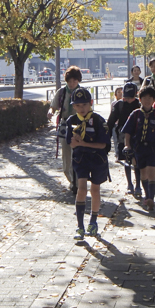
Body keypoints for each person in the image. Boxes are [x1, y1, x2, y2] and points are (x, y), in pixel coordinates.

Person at [66, 88, 110, 240]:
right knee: (82, 189)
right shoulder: (71, 121)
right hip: (81, 159)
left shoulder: (98, 120)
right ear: (73, 107)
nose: (81, 108)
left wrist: (82, 143)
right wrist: (77, 144)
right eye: (77, 105)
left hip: (98, 159)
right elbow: (70, 143)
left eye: (84, 104)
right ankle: (79, 226)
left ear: (91, 103)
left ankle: (93, 221)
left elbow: (103, 145)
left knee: (95, 190)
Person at [122, 86, 155, 211]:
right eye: (144, 98)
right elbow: (128, 132)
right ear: (140, 99)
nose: (147, 100)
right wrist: (128, 145)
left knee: (151, 172)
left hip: (153, 148)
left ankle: (151, 199)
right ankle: (147, 195)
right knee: (143, 173)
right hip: (139, 148)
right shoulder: (135, 114)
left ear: (154, 99)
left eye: (150, 98)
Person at [48, 66, 82, 194]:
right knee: (66, 158)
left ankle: (77, 184)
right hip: (64, 125)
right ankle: (72, 180)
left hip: (79, 126)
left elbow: (89, 109)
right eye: (70, 80)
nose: (72, 83)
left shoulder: (82, 93)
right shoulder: (61, 92)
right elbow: (53, 106)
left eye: (75, 80)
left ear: (78, 80)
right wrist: (50, 112)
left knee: (78, 154)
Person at [107, 82, 141, 196]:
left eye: (130, 97)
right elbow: (111, 122)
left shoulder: (140, 105)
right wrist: (107, 138)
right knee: (127, 159)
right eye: (125, 97)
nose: (128, 99)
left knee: (137, 161)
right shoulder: (119, 105)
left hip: (138, 136)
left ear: (135, 95)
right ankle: (129, 184)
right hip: (123, 135)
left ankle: (138, 185)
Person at [110, 87, 123, 161]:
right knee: (115, 139)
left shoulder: (125, 103)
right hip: (115, 124)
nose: (120, 94)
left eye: (121, 92)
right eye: (118, 92)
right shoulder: (114, 103)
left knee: (121, 139)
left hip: (121, 124)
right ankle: (117, 153)